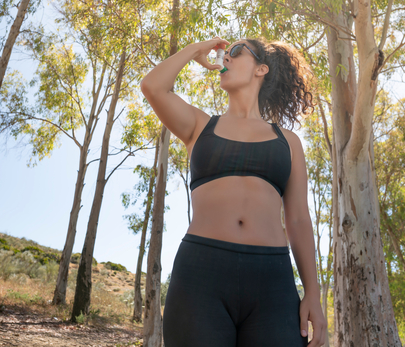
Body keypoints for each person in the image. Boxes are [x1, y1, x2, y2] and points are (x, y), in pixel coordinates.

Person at [140, 36, 327, 347]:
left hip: (273, 282)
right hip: (201, 274)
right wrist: (195, 50)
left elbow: (298, 220)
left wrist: (313, 294)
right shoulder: (199, 125)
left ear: (261, 69)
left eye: (236, 52)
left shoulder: (289, 142)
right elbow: (153, 87)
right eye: (225, 54)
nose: (225, 58)